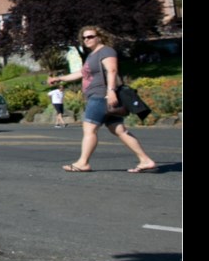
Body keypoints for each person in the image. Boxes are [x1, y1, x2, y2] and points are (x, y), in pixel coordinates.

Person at [48, 26, 157, 173]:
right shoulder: (93, 55)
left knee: (89, 129)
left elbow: (112, 70)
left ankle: (83, 163)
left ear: (99, 37)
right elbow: (81, 73)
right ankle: (145, 160)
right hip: (102, 97)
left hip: (100, 97)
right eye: (84, 37)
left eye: (90, 36)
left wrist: (110, 91)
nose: (87, 39)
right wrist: (59, 78)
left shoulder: (106, 51)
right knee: (119, 130)